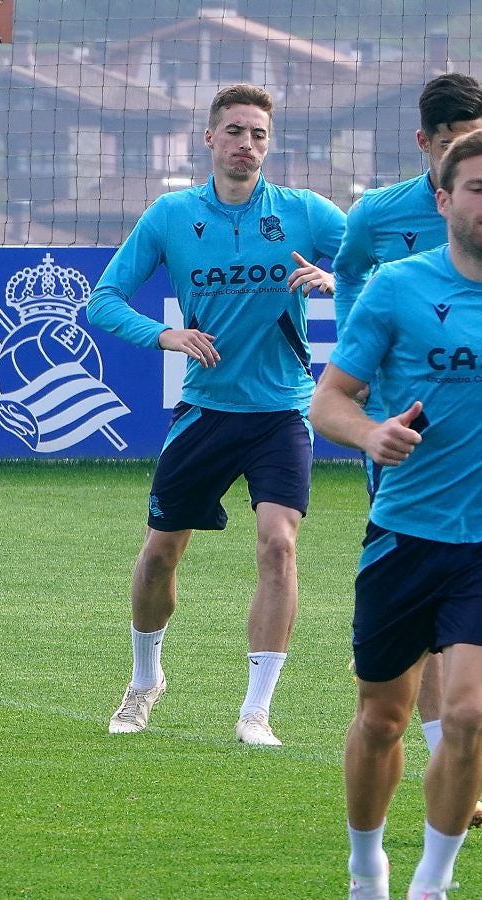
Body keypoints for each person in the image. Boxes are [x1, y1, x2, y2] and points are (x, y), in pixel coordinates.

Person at [88, 84, 346, 746]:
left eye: (258, 134)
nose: (245, 144)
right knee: (159, 555)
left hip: (282, 412)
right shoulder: (172, 215)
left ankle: (255, 711)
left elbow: (381, 272)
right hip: (205, 411)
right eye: (234, 131)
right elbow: (103, 300)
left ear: (269, 144)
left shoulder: (304, 212)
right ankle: (145, 679)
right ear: (209, 138)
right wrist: (163, 335)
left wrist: (335, 280)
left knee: (278, 544)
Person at [313, 126, 482, 900]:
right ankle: (365, 867)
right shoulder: (396, 287)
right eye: (476, 189)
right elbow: (329, 400)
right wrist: (369, 434)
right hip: (404, 536)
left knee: (469, 714)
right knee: (382, 718)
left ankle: (431, 885)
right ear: (442, 200)